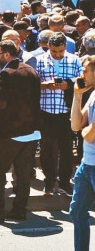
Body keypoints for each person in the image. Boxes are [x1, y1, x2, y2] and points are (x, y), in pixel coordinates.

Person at [0, 40, 41, 223]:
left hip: (10, 132)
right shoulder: (31, 70)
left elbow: (1, 103)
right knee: (23, 174)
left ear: (6, 54)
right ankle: (19, 209)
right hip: (30, 131)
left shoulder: (7, 73)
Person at [36, 32, 82, 196]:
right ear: (48, 47)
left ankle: (64, 182)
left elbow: (84, 81)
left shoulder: (74, 60)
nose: (57, 54)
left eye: (60, 51)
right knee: (47, 149)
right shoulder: (40, 60)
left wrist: (68, 85)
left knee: (67, 149)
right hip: (46, 110)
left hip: (66, 111)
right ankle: (49, 181)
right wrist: (45, 85)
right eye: (54, 51)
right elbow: (33, 84)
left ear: (65, 48)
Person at [69, 55, 95, 251]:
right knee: (77, 212)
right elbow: (77, 125)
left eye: (85, 70)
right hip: (87, 165)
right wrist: (77, 95)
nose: (82, 74)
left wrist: (87, 130)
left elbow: (89, 134)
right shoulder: (93, 94)